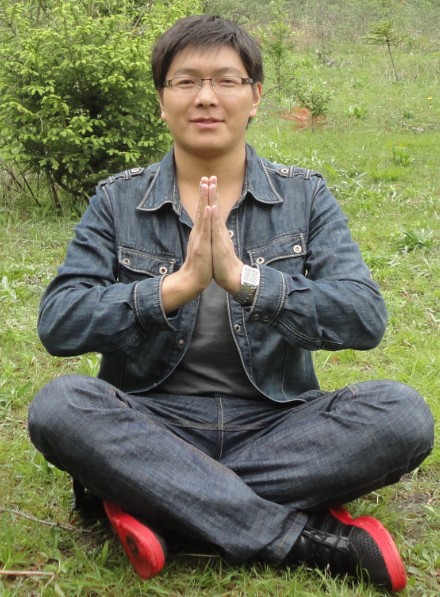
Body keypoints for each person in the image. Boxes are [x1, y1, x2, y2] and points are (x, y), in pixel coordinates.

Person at [28, 14, 434, 592]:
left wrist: (248, 282)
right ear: (162, 101)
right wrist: (175, 288)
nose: (206, 97)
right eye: (186, 81)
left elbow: (364, 316)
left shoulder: (304, 195)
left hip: (278, 423)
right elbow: (59, 321)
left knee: (402, 415)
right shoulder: (117, 200)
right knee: (61, 406)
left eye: (225, 80)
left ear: (255, 97)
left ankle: (160, 500)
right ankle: (299, 538)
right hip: (153, 420)